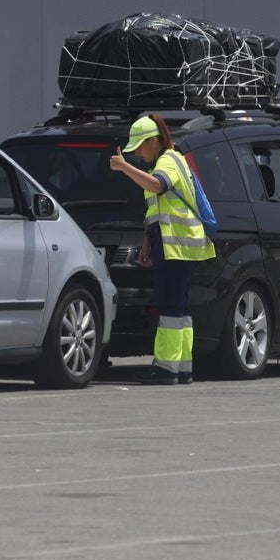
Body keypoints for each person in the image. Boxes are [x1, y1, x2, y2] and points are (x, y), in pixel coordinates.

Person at [110, 114, 215, 384]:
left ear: (154, 141)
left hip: (175, 244)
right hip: (175, 243)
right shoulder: (170, 159)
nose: (139, 155)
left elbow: (157, 186)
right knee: (179, 307)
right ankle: (182, 367)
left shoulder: (168, 160)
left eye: (141, 148)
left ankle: (166, 368)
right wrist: (147, 241)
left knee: (169, 307)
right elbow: (155, 211)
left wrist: (123, 168)